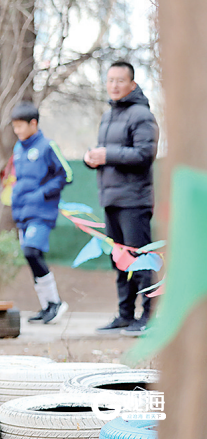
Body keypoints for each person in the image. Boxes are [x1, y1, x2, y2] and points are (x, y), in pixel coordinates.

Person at [85, 61, 159, 336]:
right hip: (111, 199)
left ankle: (149, 316)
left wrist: (108, 154)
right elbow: (109, 154)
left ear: (132, 84)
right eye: (110, 80)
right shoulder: (107, 116)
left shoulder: (142, 115)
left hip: (134, 200)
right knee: (119, 261)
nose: (114, 85)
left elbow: (144, 154)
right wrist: (91, 158)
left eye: (120, 80)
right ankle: (125, 315)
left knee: (140, 261)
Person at [10, 102, 73, 324]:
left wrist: (42, 194)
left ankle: (56, 303)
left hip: (42, 211)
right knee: (32, 257)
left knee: (31, 252)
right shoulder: (18, 148)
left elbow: (67, 174)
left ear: (33, 123)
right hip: (23, 212)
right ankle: (48, 305)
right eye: (14, 126)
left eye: (20, 126)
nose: (17, 131)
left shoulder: (48, 146)